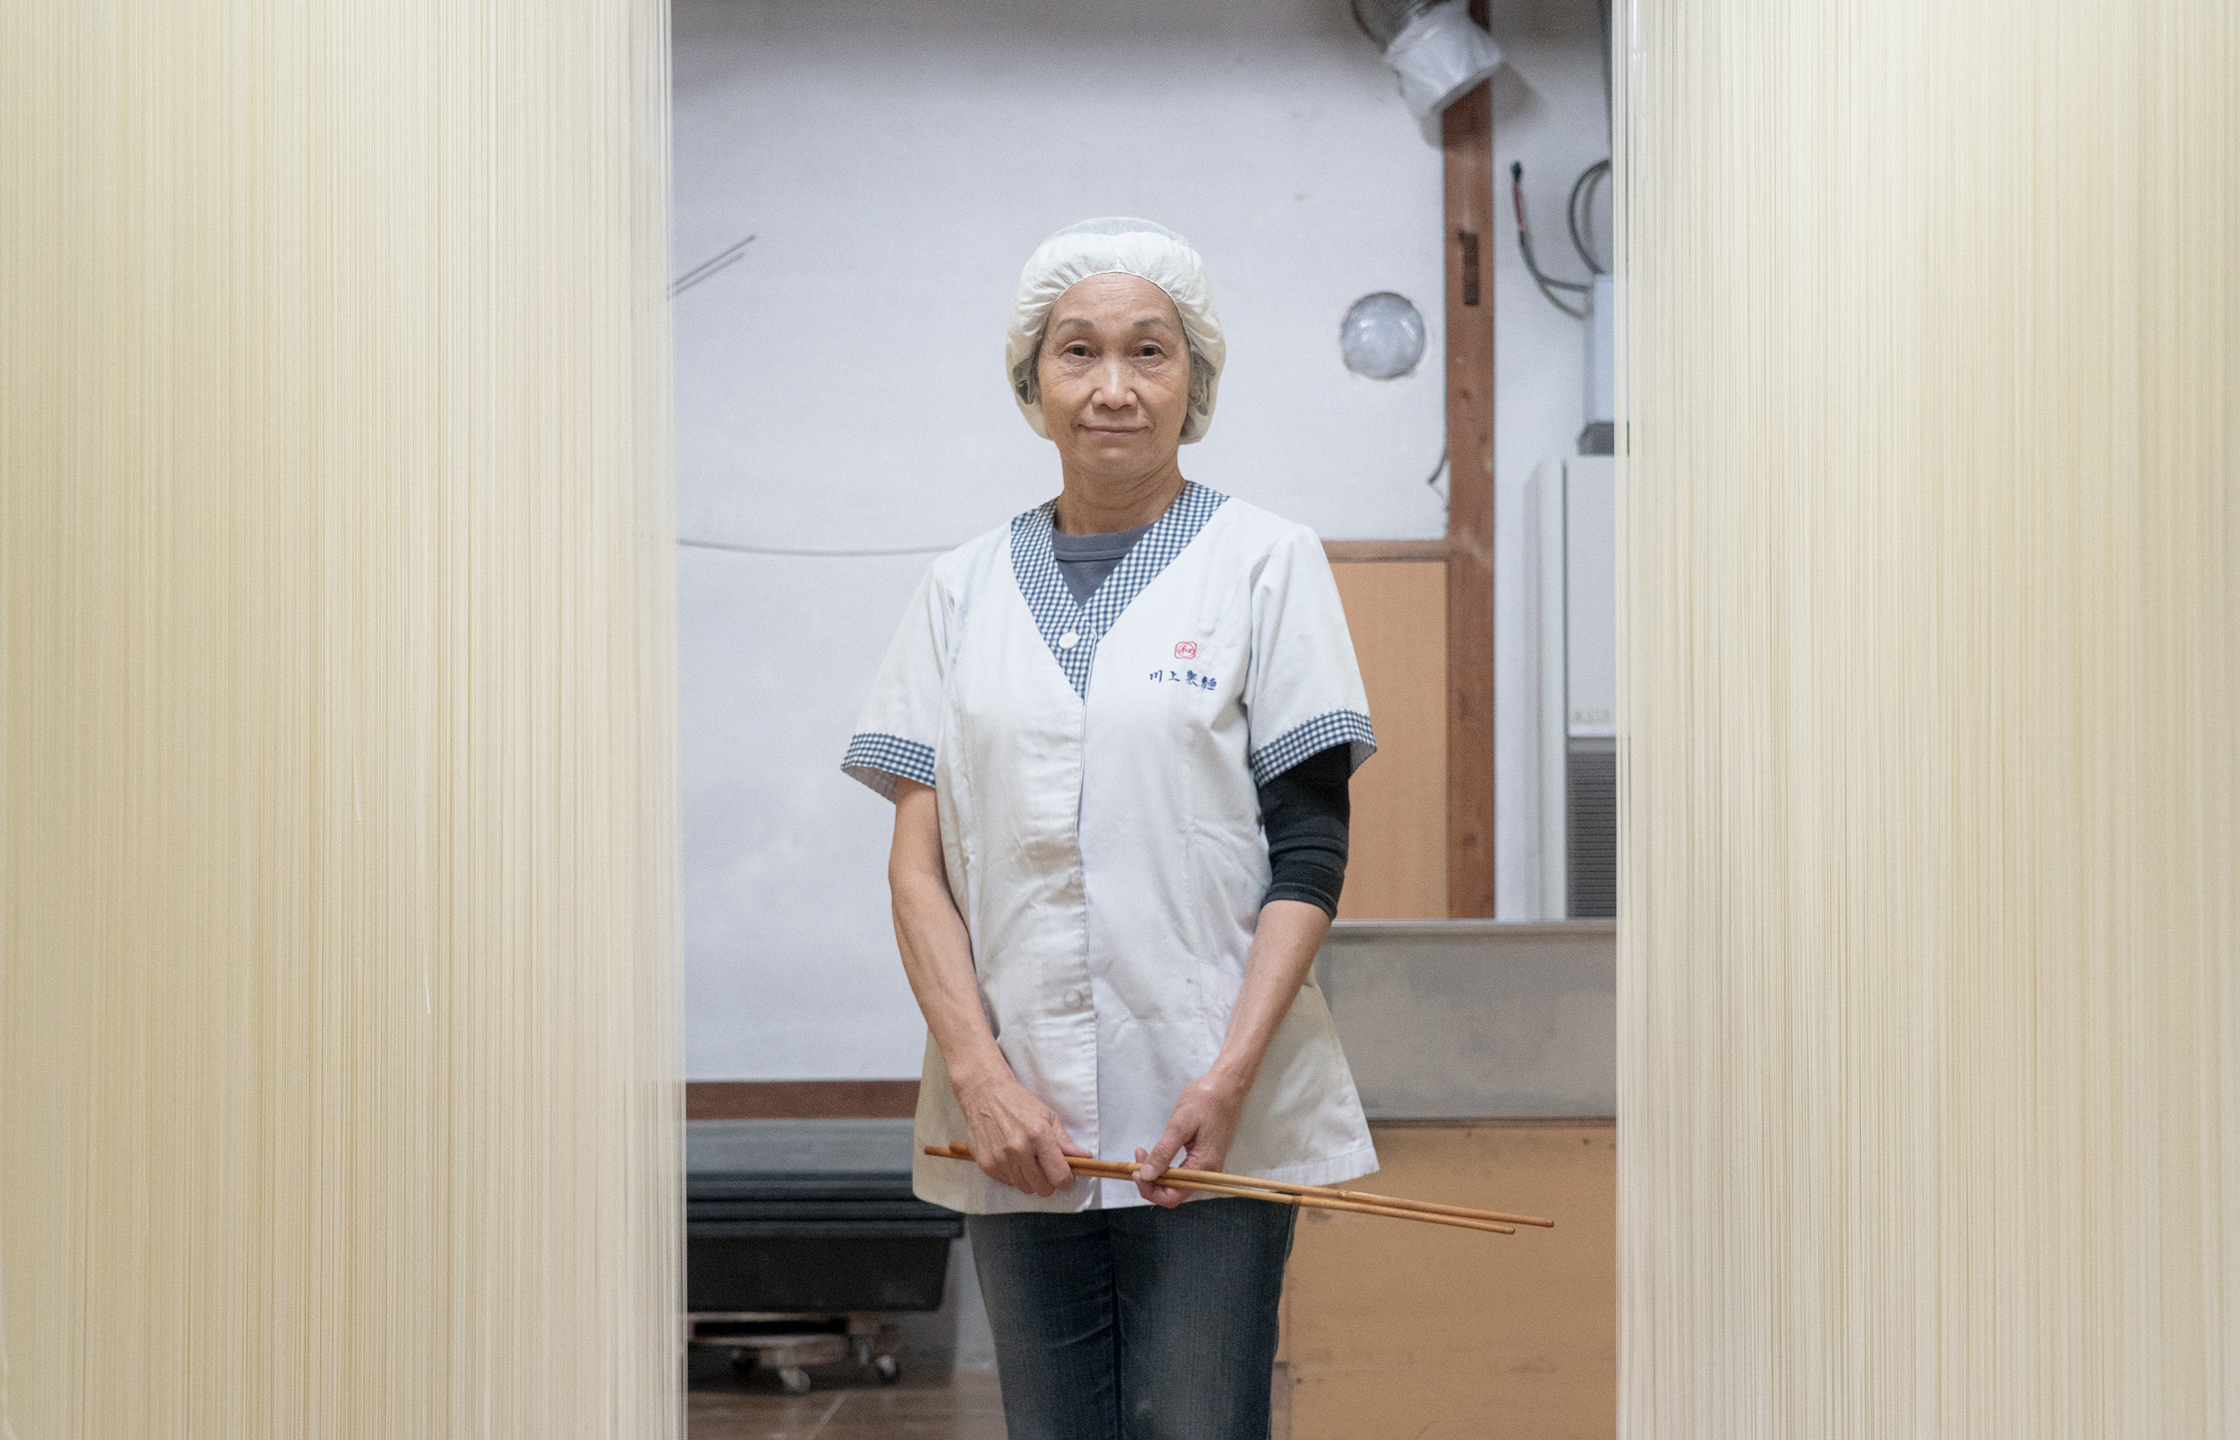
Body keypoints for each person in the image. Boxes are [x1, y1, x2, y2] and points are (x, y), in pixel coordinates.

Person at [841, 217, 1378, 1440]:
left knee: (1195, 1419)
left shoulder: (1266, 563)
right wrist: (980, 1076)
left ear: (1196, 381)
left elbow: (1309, 855)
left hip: (1212, 1097)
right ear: (1032, 382)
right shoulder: (959, 588)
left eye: (1149, 351)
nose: (1113, 387)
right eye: (1077, 352)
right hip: (1012, 1109)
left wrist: (1228, 1076)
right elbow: (917, 867)